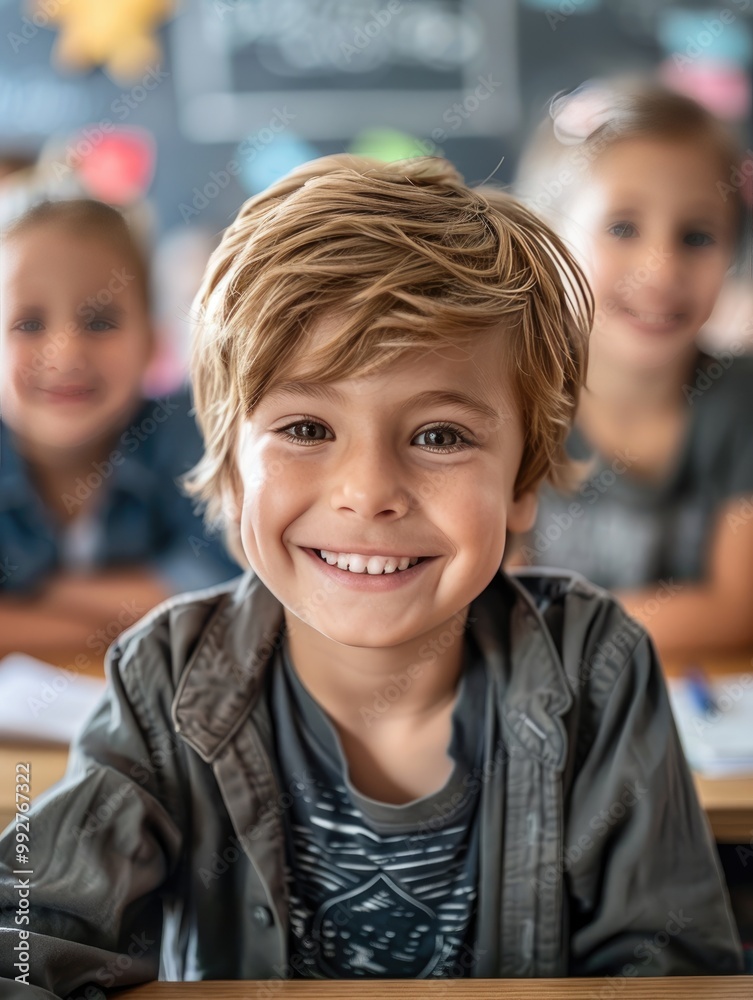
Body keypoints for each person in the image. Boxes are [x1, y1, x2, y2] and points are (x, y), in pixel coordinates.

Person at [0, 155, 743, 996]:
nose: (368, 494)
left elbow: (675, 974)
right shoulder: (163, 678)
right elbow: (24, 942)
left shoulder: (595, 668)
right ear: (234, 469)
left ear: (524, 478)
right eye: (308, 427)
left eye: (438, 436)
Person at [510, 78, 753, 659]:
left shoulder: (740, 405)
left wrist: (555, 629)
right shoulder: (510, 399)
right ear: (547, 242)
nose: (661, 267)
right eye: (622, 227)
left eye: (698, 236)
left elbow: (737, 611)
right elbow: (487, 602)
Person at [0, 199, 239, 659]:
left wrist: (41, 598)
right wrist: (123, 622)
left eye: (100, 321)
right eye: (28, 323)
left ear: (152, 343)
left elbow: (226, 589)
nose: (65, 353)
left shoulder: (186, 431)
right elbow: (185, 614)